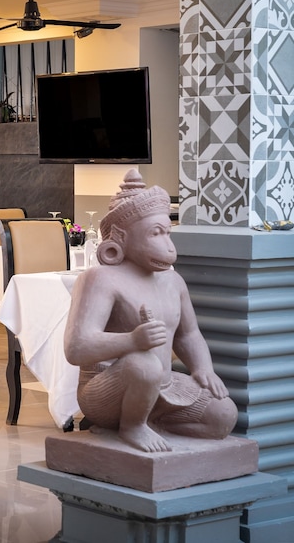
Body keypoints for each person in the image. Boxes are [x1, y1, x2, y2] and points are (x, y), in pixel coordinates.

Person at [64, 170, 237, 452]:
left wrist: (202, 368)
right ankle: (131, 427)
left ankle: (153, 423)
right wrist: (132, 340)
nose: (168, 246)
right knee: (144, 364)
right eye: (155, 234)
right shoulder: (100, 279)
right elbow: (76, 348)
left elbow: (188, 334)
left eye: (167, 233)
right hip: (108, 391)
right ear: (121, 237)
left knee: (223, 415)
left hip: (163, 389)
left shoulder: (173, 281)